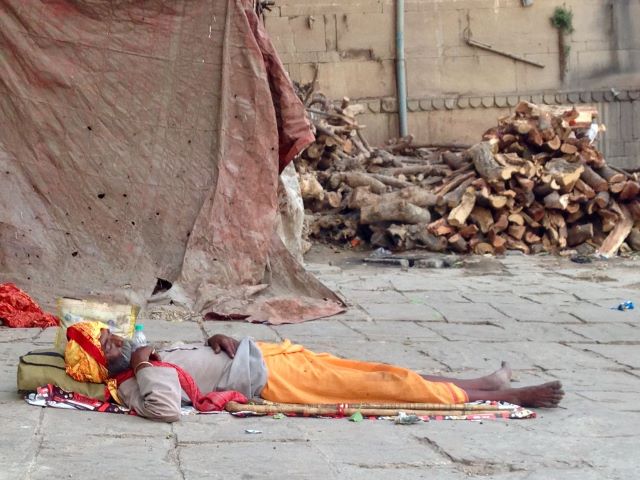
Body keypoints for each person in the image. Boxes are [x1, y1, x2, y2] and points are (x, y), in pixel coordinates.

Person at [64, 321, 564, 422]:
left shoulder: (142, 358)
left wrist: (220, 341)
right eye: (106, 341)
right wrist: (142, 365)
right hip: (273, 382)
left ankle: (485, 382)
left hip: (269, 356)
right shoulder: (134, 381)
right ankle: (511, 397)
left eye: (110, 332)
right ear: (100, 361)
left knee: (380, 370)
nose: (117, 337)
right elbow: (166, 409)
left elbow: (195, 360)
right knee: (385, 389)